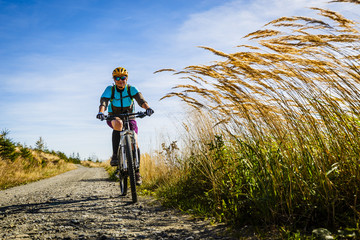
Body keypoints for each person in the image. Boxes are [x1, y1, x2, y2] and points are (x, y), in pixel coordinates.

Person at [96, 67, 154, 185]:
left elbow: (141, 100)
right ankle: (115, 156)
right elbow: (104, 102)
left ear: (126, 78)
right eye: (117, 78)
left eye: (123, 77)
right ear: (114, 79)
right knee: (119, 124)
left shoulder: (131, 89)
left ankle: (137, 172)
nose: (120, 80)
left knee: (135, 141)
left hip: (130, 116)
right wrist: (101, 112)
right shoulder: (110, 89)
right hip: (114, 117)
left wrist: (147, 109)